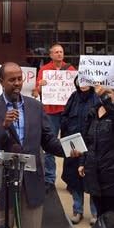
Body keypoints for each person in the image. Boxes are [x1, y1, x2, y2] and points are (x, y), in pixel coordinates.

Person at [0, 61, 76, 228]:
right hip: (1, 183)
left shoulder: (36, 107)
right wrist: (3, 127)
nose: (17, 83)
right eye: (11, 80)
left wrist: (68, 150)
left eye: (19, 78)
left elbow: (48, 140)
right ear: (1, 82)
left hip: (31, 183)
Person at [78, 84, 114, 218]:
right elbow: (86, 140)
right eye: (102, 92)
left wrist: (103, 97)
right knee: (101, 214)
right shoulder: (93, 112)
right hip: (94, 172)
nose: (104, 94)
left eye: (108, 92)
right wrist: (82, 162)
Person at [32, 43, 76, 191]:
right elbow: (35, 92)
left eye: (61, 52)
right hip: (50, 112)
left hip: (68, 113)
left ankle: (71, 179)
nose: (59, 54)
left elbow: (78, 88)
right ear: (50, 55)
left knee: (70, 145)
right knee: (49, 145)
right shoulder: (44, 70)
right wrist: (40, 86)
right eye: (56, 52)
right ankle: (49, 179)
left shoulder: (70, 69)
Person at [60, 78, 99, 225]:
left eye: (86, 81)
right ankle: (77, 210)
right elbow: (64, 116)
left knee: (93, 179)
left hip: (92, 145)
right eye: (80, 82)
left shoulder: (97, 98)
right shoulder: (73, 97)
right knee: (75, 179)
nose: (83, 85)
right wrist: (67, 133)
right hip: (74, 146)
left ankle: (95, 213)